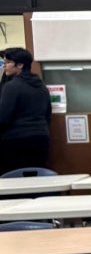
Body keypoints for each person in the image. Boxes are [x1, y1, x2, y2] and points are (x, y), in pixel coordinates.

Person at [0, 47, 52, 175]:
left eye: (7, 63)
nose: (4, 66)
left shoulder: (11, 86)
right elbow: (48, 115)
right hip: (41, 138)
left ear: (20, 65)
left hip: (16, 141)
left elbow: (3, 117)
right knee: (37, 177)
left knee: (13, 180)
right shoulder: (41, 85)